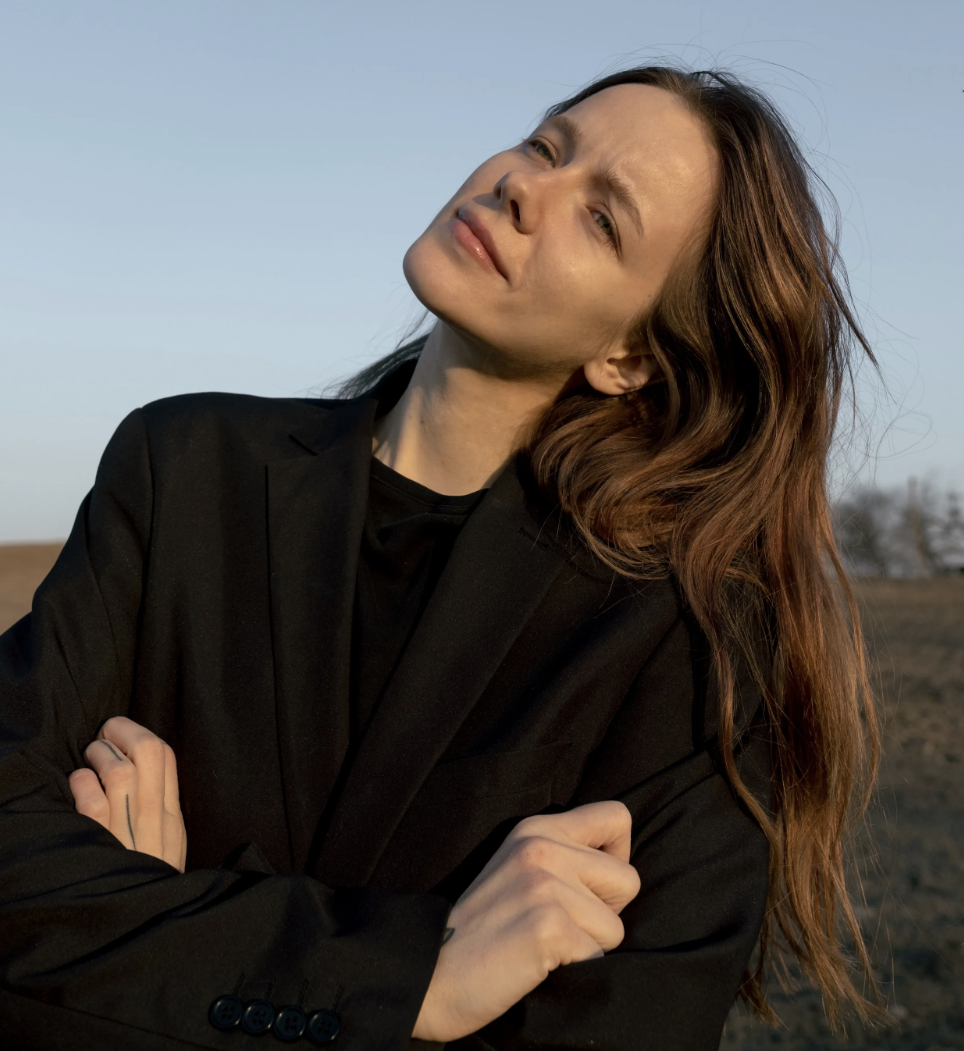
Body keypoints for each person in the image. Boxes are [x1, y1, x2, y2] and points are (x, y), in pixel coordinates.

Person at [0, 67, 877, 1051]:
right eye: (548, 145)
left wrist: (143, 935)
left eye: (603, 219)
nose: (522, 185)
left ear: (628, 357)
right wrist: (417, 981)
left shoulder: (677, 642)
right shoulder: (182, 469)